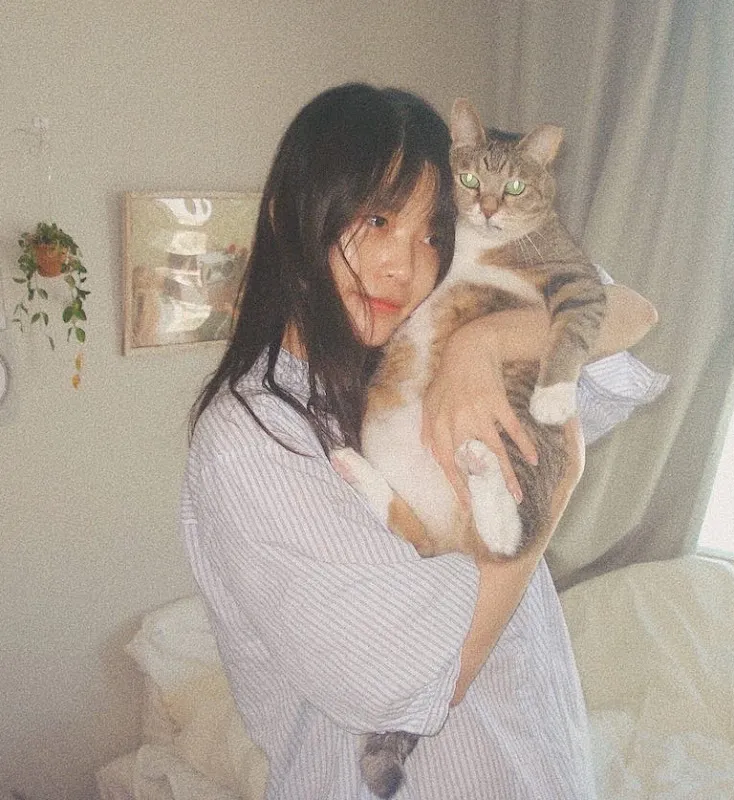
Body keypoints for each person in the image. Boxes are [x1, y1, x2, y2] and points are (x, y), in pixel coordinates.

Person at [181, 82, 656, 799]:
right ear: (288, 215)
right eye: (376, 220)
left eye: (431, 234)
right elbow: (414, 681)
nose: (402, 267)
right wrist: (553, 492)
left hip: (543, 765)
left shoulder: (443, 334)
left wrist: (487, 343)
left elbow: (630, 314)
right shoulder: (253, 439)